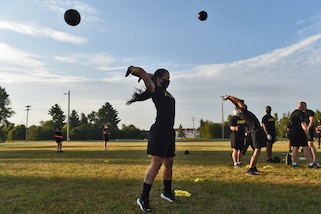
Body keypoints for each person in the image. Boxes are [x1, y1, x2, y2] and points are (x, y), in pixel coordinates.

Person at [126, 65, 176, 212]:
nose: (168, 81)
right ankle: (143, 198)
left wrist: (150, 75)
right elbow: (143, 74)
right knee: (157, 164)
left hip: (168, 131)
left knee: (169, 163)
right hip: (159, 131)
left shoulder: (165, 92)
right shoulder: (156, 90)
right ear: (159, 79)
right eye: (166, 78)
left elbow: (150, 75)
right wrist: (132, 69)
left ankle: (167, 192)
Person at [224, 95, 266, 176]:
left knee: (258, 150)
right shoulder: (243, 112)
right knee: (257, 150)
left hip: (256, 131)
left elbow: (237, 103)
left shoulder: (244, 113)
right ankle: (250, 170)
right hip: (255, 131)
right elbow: (238, 102)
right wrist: (229, 97)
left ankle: (253, 167)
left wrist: (231, 99)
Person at [288, 102, 319, 168]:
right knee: (305, 147)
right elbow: (303, 123)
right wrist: (307, 132)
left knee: (295, 148)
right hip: (300, 133)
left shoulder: (292, 113)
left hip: (293, 132)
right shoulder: (301, 113)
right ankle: (310, 164)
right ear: (302, 107)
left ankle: (294, 163)